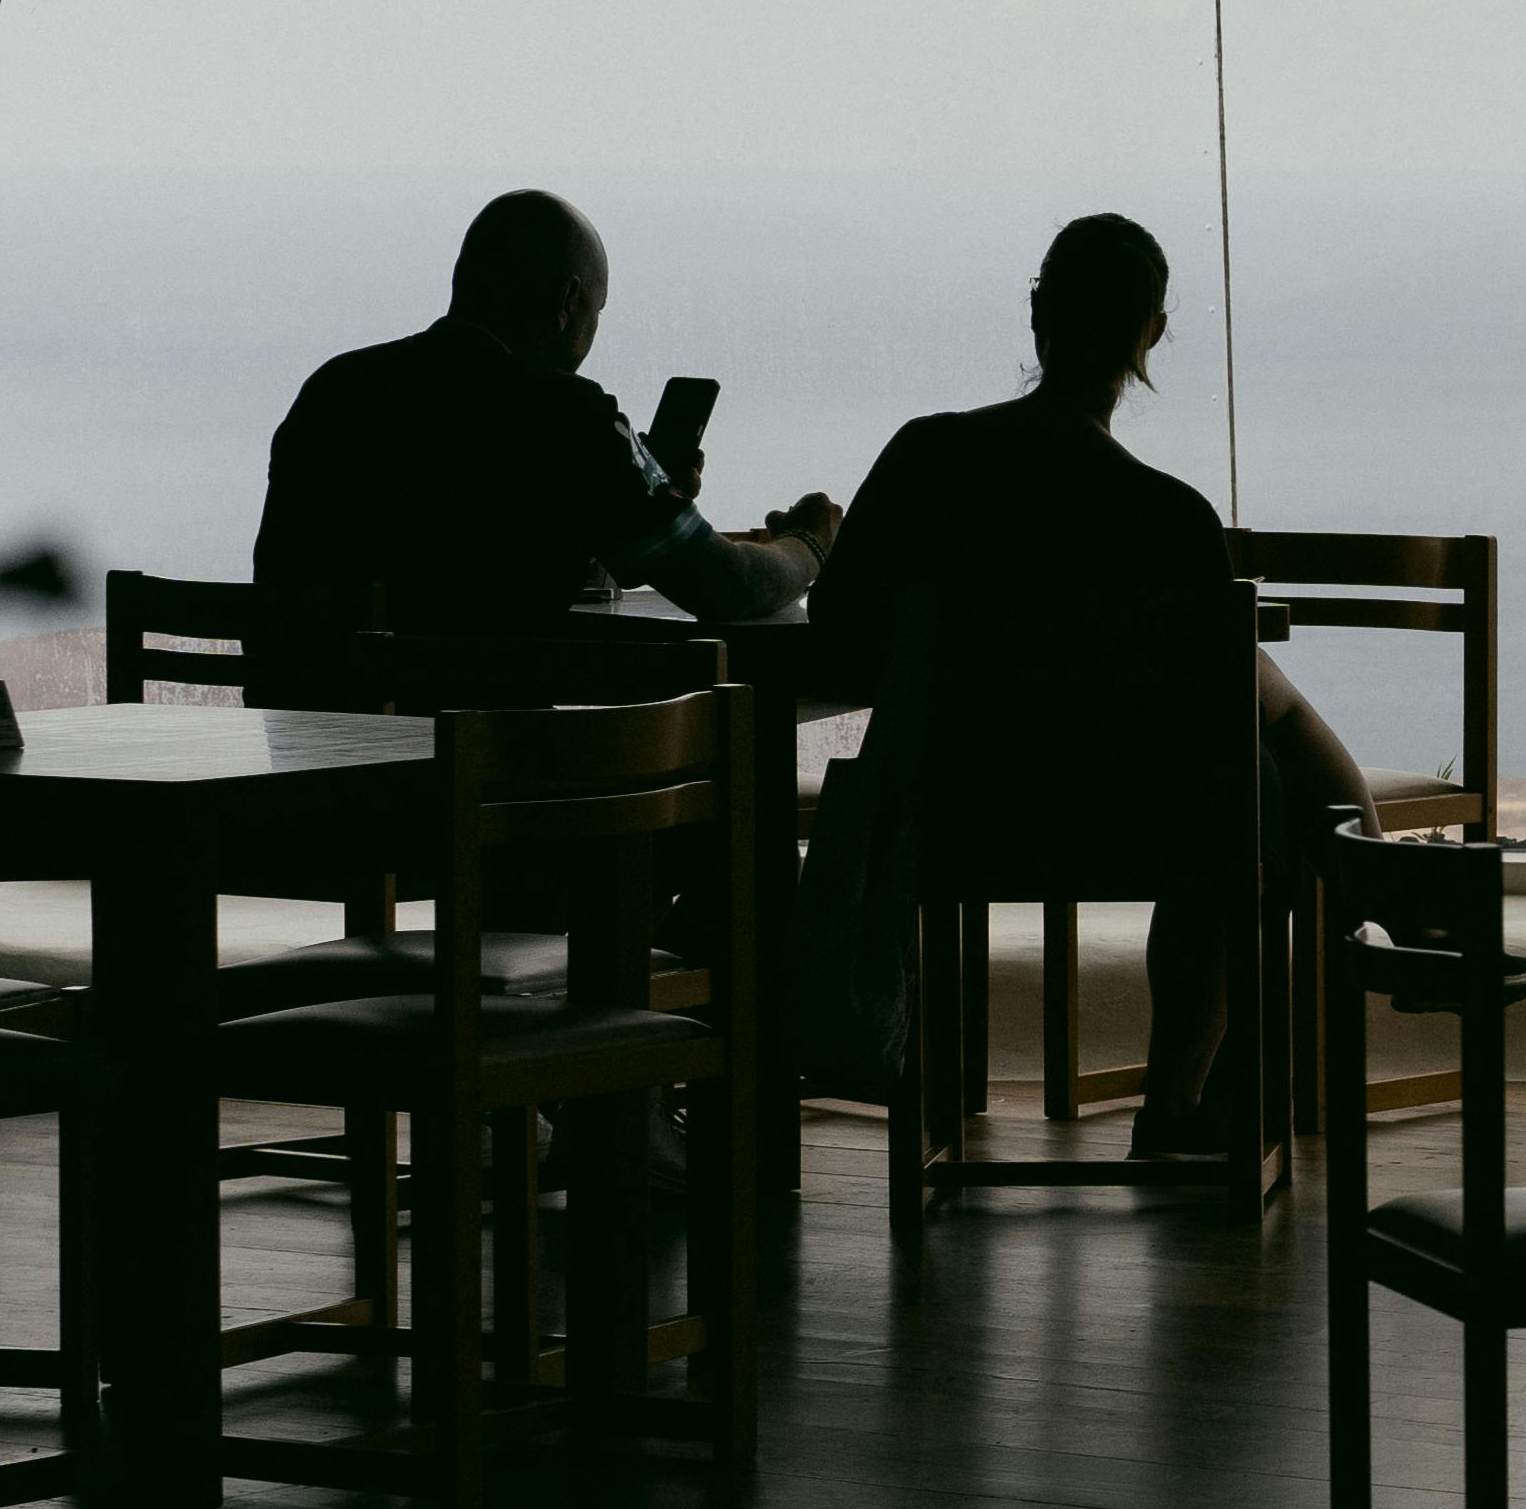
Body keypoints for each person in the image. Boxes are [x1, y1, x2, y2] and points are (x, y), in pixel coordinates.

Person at [806, 214, 1371, 1143]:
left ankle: (1367, 893)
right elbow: (1218, 707)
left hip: (953, 815)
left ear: (1039, 312)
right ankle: (1184, 1097)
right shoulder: (1168, 519)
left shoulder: (926, 460)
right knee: (1256, 785)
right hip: (1136, 821)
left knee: (1253, 751)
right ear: (1151, 334)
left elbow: (838, 643)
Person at [253, 188, 837, 632]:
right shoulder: (566, 416)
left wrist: (625, 499)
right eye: (596, 312)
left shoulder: (335, 389)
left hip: (310, 740)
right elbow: (725, 586)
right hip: (473, 748)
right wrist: (809, 544)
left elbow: (446, 548)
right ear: (567, 300)